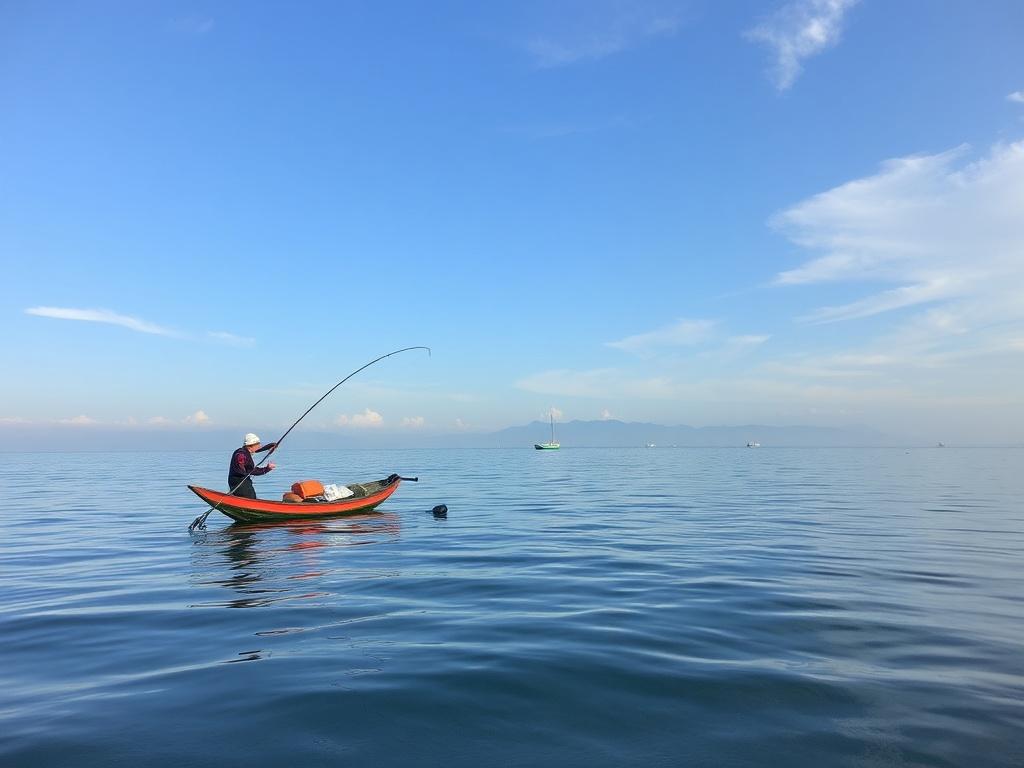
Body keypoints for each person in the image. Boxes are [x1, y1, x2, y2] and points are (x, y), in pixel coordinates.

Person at [228, 433, 277, 499]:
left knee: (251, 498)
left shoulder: (243, 451)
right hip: (239, 483)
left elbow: (258, 449)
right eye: (258, 444)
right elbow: (252, 471)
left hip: (239, 480)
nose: (260, 446)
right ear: (250, 446)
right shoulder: (242, 455)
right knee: (250, 498)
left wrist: (271, 446)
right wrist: (267, 468)